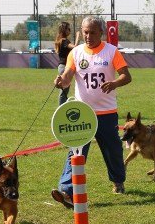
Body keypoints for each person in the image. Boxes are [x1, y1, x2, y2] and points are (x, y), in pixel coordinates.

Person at [50, 17, 132, 208]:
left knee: (112, 150)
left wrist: (114, 83)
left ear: (101, 33)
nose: (88, 36)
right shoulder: (76, 53)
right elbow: (68, 77)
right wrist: (61, 81)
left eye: (92, 32)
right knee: (76, 151)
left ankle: (118, 181)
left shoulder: (112, 52)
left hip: (107, 113)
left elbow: (126, 76)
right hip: (82, 114)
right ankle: (66, 190)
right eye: (85, 32)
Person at [54, 21, 80, 105]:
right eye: (68, 29)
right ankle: (61, 108)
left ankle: (62, 107)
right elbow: (75, 48)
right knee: (64, 89)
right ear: (64, 30)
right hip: (64, 66)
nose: (70, 30)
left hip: (63, 66)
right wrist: (78, 36)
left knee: (65, 89)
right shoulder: (64, 41)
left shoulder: (61, 40)